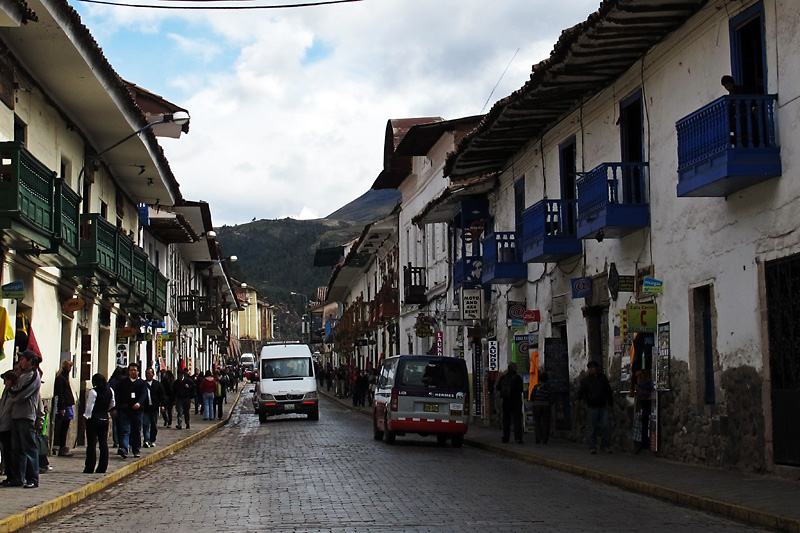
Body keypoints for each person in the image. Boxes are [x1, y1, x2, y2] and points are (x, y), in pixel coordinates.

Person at [7, 350, 42, 488]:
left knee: (29, 448)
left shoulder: (33, 376)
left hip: (26, 416)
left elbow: (21, 394)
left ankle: (33, 478)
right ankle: (17, 477)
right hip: (16, 415)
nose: (21, 362)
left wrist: (13, 393)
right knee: (17, 449)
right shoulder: (22, 375)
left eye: (23, 360)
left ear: (30, 362)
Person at [576, 360, 614, 454]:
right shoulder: (586, 380)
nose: (591, 369)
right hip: (591, 406)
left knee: (606, 426)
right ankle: (592, 446)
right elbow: (581, 391)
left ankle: (605, 445)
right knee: (592, 428)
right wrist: (578, 399)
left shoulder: (603, 378)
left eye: (593, 367)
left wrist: (610, 402)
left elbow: (608, 390)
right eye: (589, 368)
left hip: (602, 406)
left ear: (597, 368)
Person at [113, 362, 147, 459]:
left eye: (135, 370)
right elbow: (117, 395)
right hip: (125, 410)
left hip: (137, 411)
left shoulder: (142, 383)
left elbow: (144, 395)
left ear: (138, 372)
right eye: (131, 370)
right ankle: (124, 448)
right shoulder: (122, 383)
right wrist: (117, 406)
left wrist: (139, 403)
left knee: (136, 431)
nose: (133, 372)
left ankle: (136, 449)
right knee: (125, 430)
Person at [83, 373, 115, 474]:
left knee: (92, 444)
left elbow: (90, 406)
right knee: (103, 444)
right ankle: (102, 467)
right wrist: (105, 410)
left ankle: (90, 467)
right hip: (105, 419)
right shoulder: (110, 391)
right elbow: (112, 404)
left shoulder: (93, 392)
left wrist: (86, 416)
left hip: (94, 419)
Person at [53, 359, 76, 457]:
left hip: (66, 404)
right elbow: (61, 393)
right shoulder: (61, 378)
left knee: (65, 427)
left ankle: (63, 446)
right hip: (64, 405)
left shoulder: (64, 377)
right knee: (63, 427)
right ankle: (62, 447)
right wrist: (62, 406)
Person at [497, 362, 524, 444]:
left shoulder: (503, 377)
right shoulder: (518, 378)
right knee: (517, 420)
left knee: (506, 420)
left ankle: (506, 438)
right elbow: (521, 389)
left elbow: (498, 387)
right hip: (516, 401)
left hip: (506, 401)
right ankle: (518, 438)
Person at [0, 370, 18, 482]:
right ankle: (9, 474)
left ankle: (12, 475)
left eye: (6, 380)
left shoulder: (14, 392)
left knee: (9, 451)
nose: (4, 383)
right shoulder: (6, 392)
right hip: (3, 423)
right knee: (5, 451)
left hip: (10, 425)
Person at [632, 368, 654, 453]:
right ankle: (643, 442)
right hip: (643, 404)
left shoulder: (641, 383)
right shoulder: (643, 383)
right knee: (642, 424)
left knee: (644, 424)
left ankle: (643, 442)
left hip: (644, 403)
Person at [142, 368, 166, 448]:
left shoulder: (157, 384)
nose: (148, 375)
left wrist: (163, 405)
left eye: (150, 373)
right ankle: (146, 440)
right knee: (145, 424)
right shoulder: (143, 384)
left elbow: (162, 395)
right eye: (147, 373)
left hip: (154, 408)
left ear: (153, 374)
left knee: (153, 425)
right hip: (145, 408)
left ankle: (152, 440)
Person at [530, 372, 553, 445]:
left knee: (537, 422)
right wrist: (549, 403)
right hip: (546, 405)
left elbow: (532, 396)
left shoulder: (536, 387)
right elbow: (552, 397)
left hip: (536, 405)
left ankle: (538, 438)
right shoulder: (549, 387)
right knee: (546, 422)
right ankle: (545, 439)